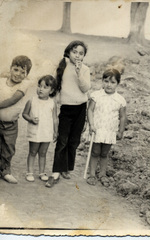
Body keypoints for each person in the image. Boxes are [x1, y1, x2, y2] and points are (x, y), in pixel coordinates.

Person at [46, 40, 91, 188]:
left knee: (73, 141)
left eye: (81, 53)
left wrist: (78, 73)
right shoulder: (62, 67)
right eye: (74, 52)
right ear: (68, 52)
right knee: (62, 140)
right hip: (66, 109)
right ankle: (56, 172)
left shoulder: (84, 69)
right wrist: (56, 105)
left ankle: (66, 168)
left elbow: (85, 88)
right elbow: (56, 87)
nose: (77, 55)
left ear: (84, 56)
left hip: (80, 108)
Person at [86, 69, 126, 186]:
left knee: (104, 153)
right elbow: (90, 110)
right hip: (97, 128)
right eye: (106, 81)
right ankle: (92, 174)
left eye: (112, 82)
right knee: (95, 151)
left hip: (110, 130)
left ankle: (102, 174)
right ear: (102, 81)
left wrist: (121, 130)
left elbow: (122, 116)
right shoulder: (96, 95)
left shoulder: (120, 99)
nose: (109, 85)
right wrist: (91, 124)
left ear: (117, 84)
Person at [0, 55, 32, 184]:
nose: (18, 74)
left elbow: (13, 100)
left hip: (11, 125)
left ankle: (5, 171)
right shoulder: (2, 81)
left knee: (8, 148)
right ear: (10, 68)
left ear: (26, 75)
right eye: (16, 69)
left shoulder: (23, 86)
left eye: (23, 72)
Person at [22, 75, 58, 182]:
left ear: (51, 91)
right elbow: (24, 114)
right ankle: (30, 172)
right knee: (33, 151)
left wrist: (56, 132)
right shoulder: (32, 101)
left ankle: (42, 172)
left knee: (43, 153)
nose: (41, 89)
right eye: (39, 86)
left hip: (46, 132)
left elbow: (55, 118)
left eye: (45, 87)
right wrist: (31, 119)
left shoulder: (52, 103)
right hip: (35, 131)